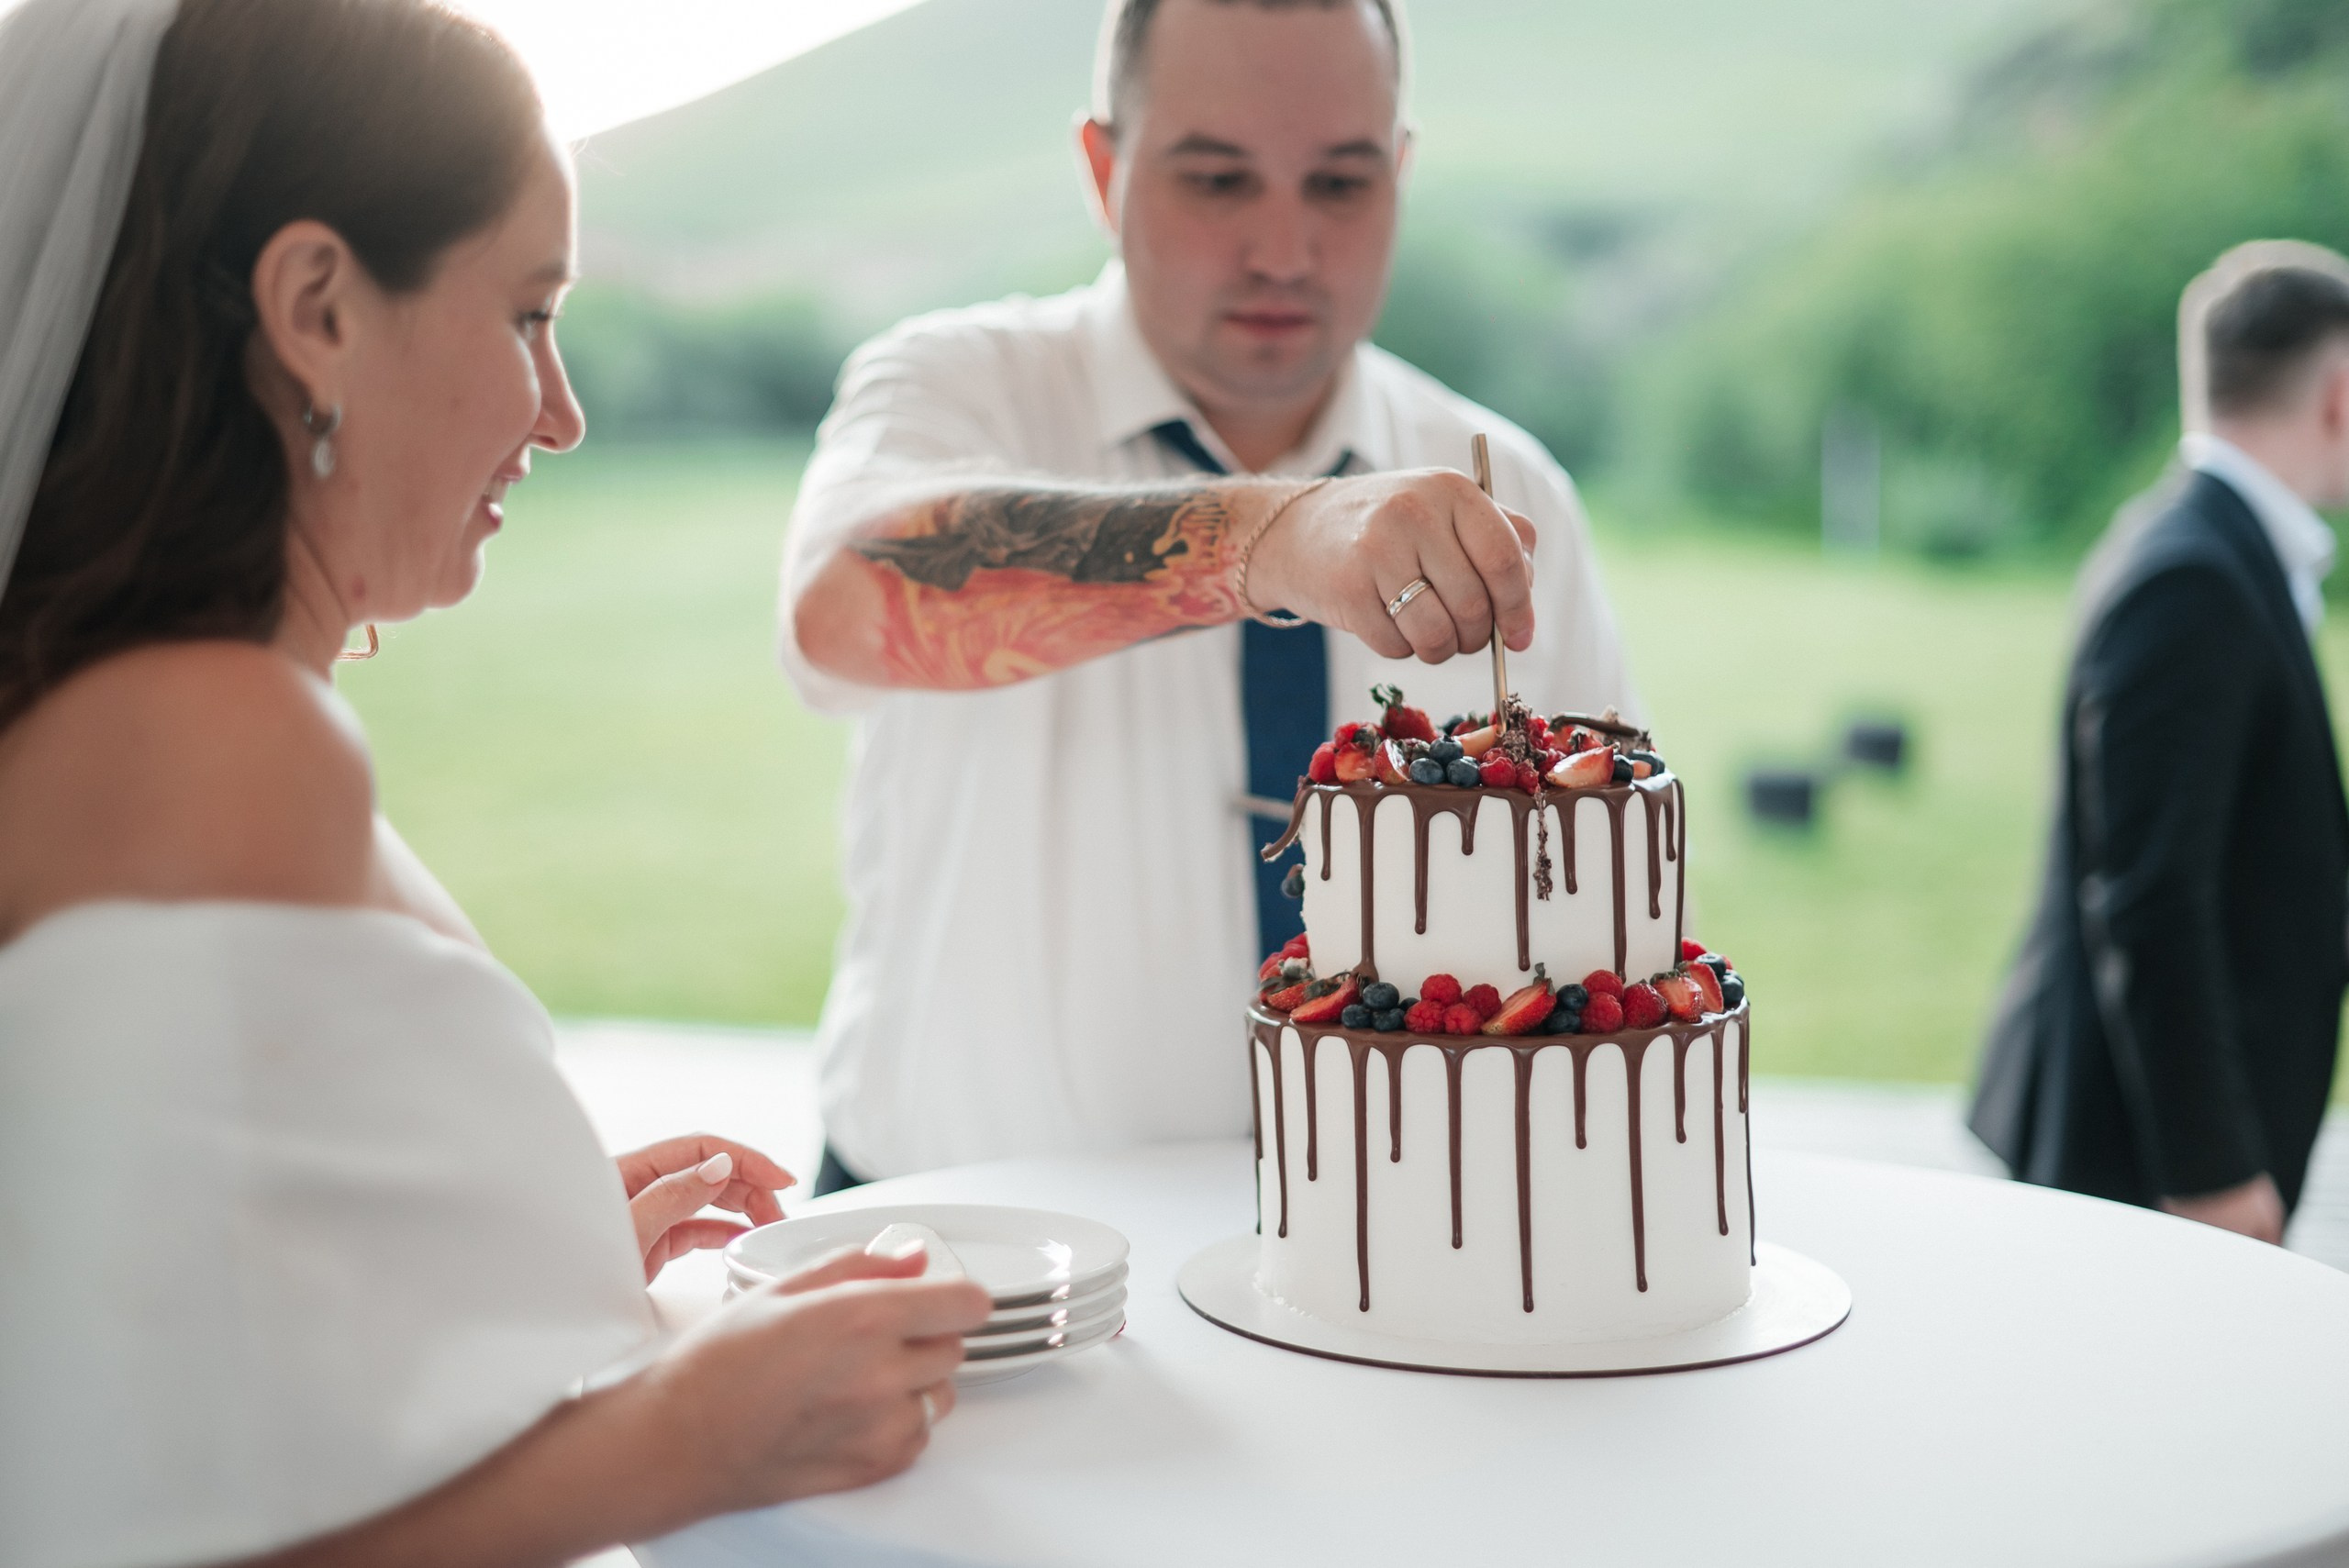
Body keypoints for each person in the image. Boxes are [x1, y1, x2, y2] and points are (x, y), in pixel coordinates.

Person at [0, 3, 989, 1564]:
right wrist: (691, 1433)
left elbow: (190, 1318)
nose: (564, 410)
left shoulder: (146, 715)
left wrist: (514, 1233)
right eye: (529, 315)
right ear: (317, 304)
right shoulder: (222, 744)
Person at [780, 0, 1641, 1190]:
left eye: (1339, 184)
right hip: (954, 1254)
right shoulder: (958, 385)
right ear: (1104, 166)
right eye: (1219, 180)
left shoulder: (1511, 479)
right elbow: (843, 601)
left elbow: (1596, 913)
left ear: (1400, 173)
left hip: (1400, 1251)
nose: (1283, 249)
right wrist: (1276, 536)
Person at [1971, 240, 2349, 1244]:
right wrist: (2211, 1169)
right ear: (2337, 395)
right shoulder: (2194, 576)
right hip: (2138, 1157)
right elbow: (2150, 894)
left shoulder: (2201, 541)